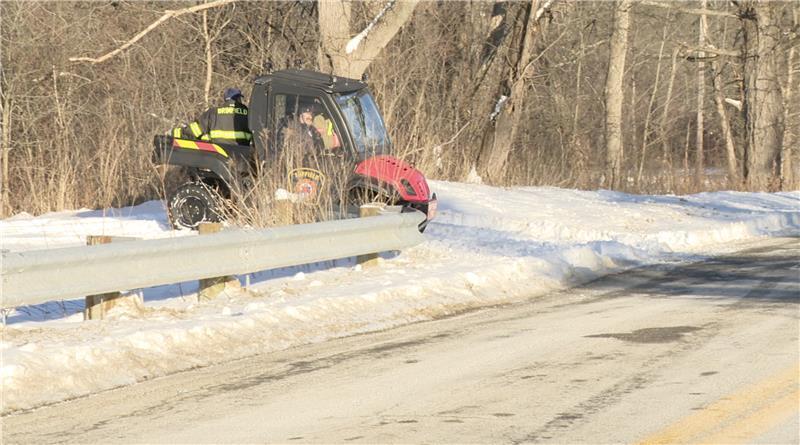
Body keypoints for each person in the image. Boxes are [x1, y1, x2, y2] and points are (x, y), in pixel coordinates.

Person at [172, 87, 252, 145]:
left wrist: (175, 133)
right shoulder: (249, 114)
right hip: (243, 157)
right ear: (238, 99)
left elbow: (194, 130)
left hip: (218, 156)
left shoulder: (213, 113)